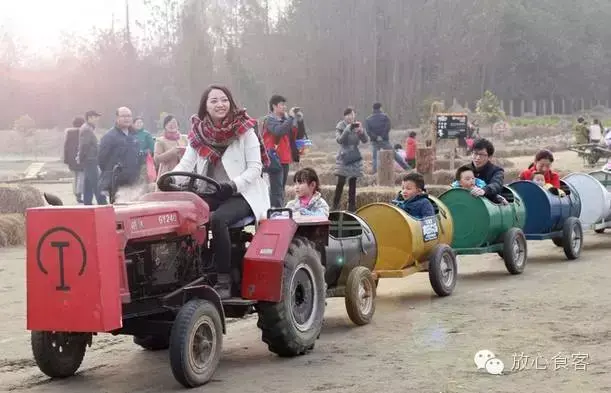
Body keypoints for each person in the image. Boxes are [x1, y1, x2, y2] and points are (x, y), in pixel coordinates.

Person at [170, 85, 270, 298]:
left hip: (242, 193)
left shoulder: (245, 131)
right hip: (212, 191)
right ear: (205, 106)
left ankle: (223, 279)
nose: (220, 105)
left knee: (218, 220)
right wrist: (168, 180)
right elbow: (185, 166)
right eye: (214, 101)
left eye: (224, 100)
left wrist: (234, 185)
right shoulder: (198, 135)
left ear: (231, 102)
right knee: (186, 216)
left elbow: (255, 168)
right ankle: (192, 270)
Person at [261, 94, 307, 207]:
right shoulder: (269, 120)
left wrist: (300, 121)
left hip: (285, 158)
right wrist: (291, 118)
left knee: (281, 188)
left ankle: (279, 211)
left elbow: (297, 135)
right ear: (274, 106)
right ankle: (275, 213)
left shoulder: (286, 120)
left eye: (284, 105)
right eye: (282, 105)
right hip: (274, 159)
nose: (285, 107)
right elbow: (278, 131)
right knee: (276, 190)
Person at [98, 107, 142, 197]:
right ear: (117, 118)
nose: (127, 119)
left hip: (132, 181)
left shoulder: (134, 135)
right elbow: (101, 160)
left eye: (129, 116)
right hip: (115, 183)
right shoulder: (109, 136)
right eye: (123, 116)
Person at [331, 107, 368, 212]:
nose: (350, 117)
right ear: (344, 116)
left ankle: (352, 206)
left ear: (354, 115)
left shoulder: (358, 125)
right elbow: (340, 140)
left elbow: (365, 140)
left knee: (353, 181)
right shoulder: (340, 126)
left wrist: (361, 131)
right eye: (347, 115)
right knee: (341, 181)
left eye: (351, 114)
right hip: (344, 155)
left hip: (354, 155)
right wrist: (347, 130)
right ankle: (335, 205)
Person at [365, 102, 410, 174]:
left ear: (373, 109)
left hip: (374, 141)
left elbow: (368, 131)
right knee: (394, 154)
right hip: (384, 140)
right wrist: (382, 136)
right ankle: (408, 169)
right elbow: (388, 127)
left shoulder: (368, 119)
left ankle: (375, 174)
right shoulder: (385, 117)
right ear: (380, 108)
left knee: (375, 158)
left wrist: (376, 137)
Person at [78, 110, 107, 205]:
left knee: (88, 183)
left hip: (90, 159)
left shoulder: (88, 128)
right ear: (89, 117)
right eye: (95, 117)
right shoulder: (86, 129)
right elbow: (84, 145)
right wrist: (81, 158)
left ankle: (87, 203)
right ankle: (103, 203)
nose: (97, 119)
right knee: (97, 182)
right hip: (90, 159)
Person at [154, 114, 188, 183]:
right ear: (165, 126)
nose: (172, 125)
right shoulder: (160, 141)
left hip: (185, 173)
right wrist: (172, 152)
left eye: (174, 123)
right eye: (169, 123)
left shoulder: (185, 138)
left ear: (178, 126)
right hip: (167, 174)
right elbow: (156, 159)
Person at [63, 116, 86, 203]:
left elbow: (66, 147)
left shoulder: (69, 133)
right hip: (80, 158)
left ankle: (76, 192)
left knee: (76, 176)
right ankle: (79, 193)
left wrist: (66, 160)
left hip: (71, 159)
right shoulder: (83, 133)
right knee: (81, 176)